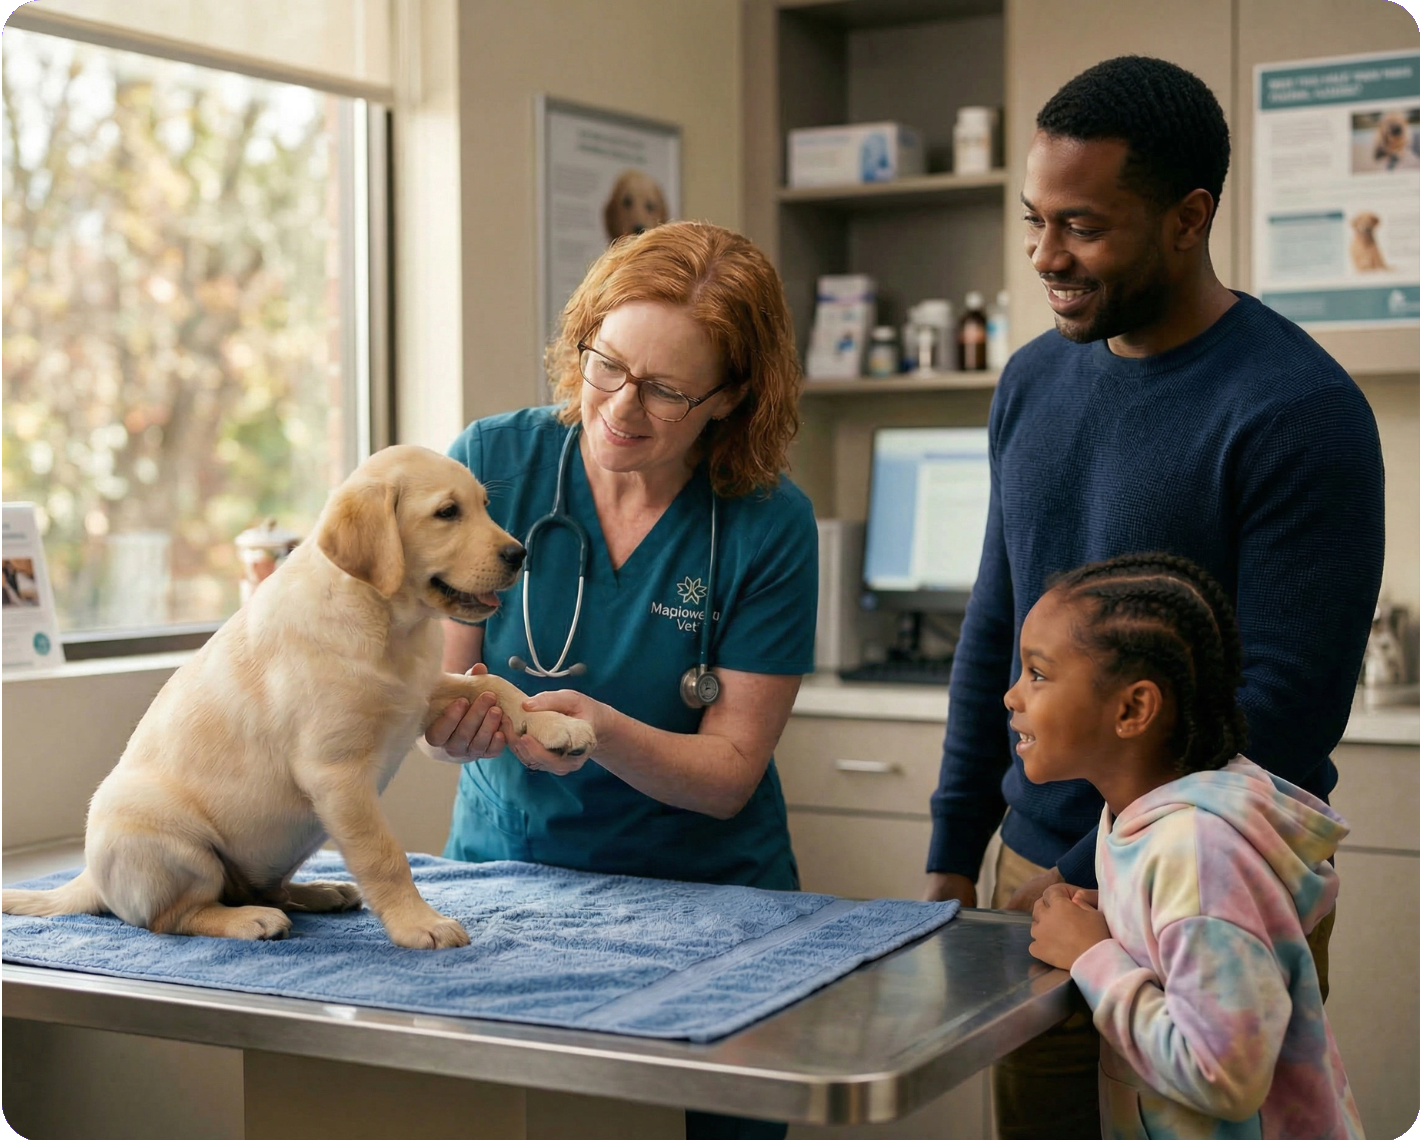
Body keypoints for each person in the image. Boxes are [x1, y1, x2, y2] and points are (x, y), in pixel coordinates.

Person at [922, 55, 1385, 1138]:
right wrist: (955, 860)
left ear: (1187, 217)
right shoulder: (1030, 379)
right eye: (1035, 221)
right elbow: (997, 624)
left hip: (1209, 891)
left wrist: (1093, 885)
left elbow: (1283, 709)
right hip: (1037, 881)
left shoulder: (1298, 411)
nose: (1045, 257)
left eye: (1081, 227)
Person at [423, 220, 815, 1140]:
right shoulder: (494, 465)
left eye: (668, 390)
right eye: (608, 364)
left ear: (731, 397)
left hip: (713, 909)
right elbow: (445, 687)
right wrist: (451, 723)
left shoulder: (767, 524)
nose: (621, 408)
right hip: (515, 886)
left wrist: (596, 733)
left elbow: (727, 776)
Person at [1022, 553, 1364, 1140]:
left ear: (1132, 709)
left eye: (1038, 674)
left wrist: (1092, 957)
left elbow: (1223, 1077)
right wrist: (1117, 925)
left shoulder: (1200, 853)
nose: (1012, 696)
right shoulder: (1135, 824)